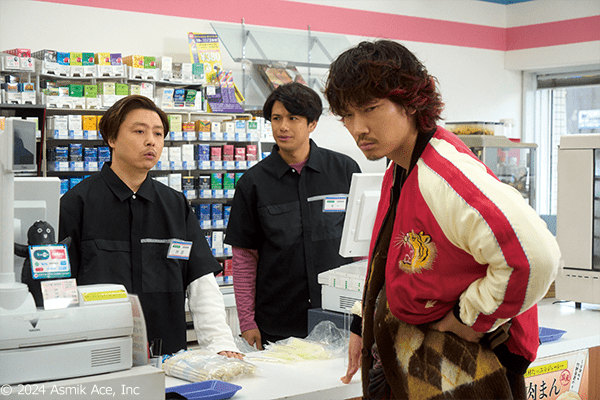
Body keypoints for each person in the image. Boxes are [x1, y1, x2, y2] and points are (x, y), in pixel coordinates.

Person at [324, 40, 560, 399]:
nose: (358, 128)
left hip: (463, 369)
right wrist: (363, 321)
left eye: (370, 109)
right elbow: (395, 262)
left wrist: (470, 318)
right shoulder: (400, 170)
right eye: (347, 116)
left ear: (410, 102)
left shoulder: (444, 176)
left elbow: (537, 257)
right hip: (418, 364)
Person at [59, 95, 241, 358]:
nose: (151, 141)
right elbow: (60, 289)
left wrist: (220, 344)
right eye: (139, 131)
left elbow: (201, 282)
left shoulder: (175, 205)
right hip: (97, 356)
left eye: (158, 133)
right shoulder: (77, 203)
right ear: (111, 139)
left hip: (168, 357)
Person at [224, 82, 362, 348]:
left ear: (312, 124)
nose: (282, 127)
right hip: (278, 322)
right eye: (276, 118)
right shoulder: (253, 183)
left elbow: (359, 248)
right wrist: (247, 322)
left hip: (339, 315)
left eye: (292, 118)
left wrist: (363, 307)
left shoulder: (344, 170)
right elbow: (244, 259)